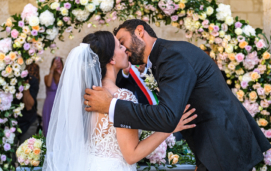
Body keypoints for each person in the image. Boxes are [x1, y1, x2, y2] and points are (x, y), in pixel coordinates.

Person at [84, 19, 271, 171]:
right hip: (216, 149)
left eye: (123, 41)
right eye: (119, 46)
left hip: (224, 149)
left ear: (140, 31)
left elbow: (168, 116)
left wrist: (112, 106)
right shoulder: (167, 55)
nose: (124, 49)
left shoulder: (171, 57)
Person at [43, 31, 197, 171]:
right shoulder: (122, 97)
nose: (125, 49)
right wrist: (169, 128)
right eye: (119, 46)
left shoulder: (84, 95)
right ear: (111, 59)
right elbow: (131, 155)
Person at [17, 63, 40, 144]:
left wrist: (25, 85)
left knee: (25, 153)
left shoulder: (32, 80)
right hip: (11, 123)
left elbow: (29, 106)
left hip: (28, 122)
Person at [42, 57, 63, 137]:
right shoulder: (47, 77)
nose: (58, 65)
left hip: (60, 105)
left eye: (59, 63)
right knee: (48, 127)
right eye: (56, 63)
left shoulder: (65, 77)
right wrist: (52, 69)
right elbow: (49, 84)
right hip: (49, 105)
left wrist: (61, 73)